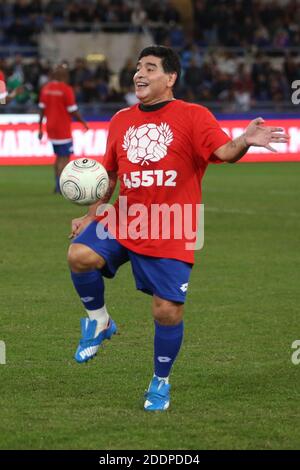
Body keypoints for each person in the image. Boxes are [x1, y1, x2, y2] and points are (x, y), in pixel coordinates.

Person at [67, 46, 288, 411]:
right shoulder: (122, 119)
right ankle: (100, 321)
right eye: (137, 68)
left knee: (166, 311)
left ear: (170, 78)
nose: (139, 74)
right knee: (79, 254)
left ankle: (160, 381)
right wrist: (92, 215)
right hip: (126, 217)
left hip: (172, 225)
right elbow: (110, 175)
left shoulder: (193, 115)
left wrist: (246, 140)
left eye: (149, 68)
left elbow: (224, 152)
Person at [38, 64, 89, 193]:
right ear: (64, 76)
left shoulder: (46, 89)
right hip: (62, 128)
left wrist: (40, 128)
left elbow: (41, 110)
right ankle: (60, 186)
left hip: (51, 128)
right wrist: (83, 122)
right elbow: (72, 111)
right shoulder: (66, 89)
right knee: (64, 157)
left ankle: (57, 186)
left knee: (58, 157)